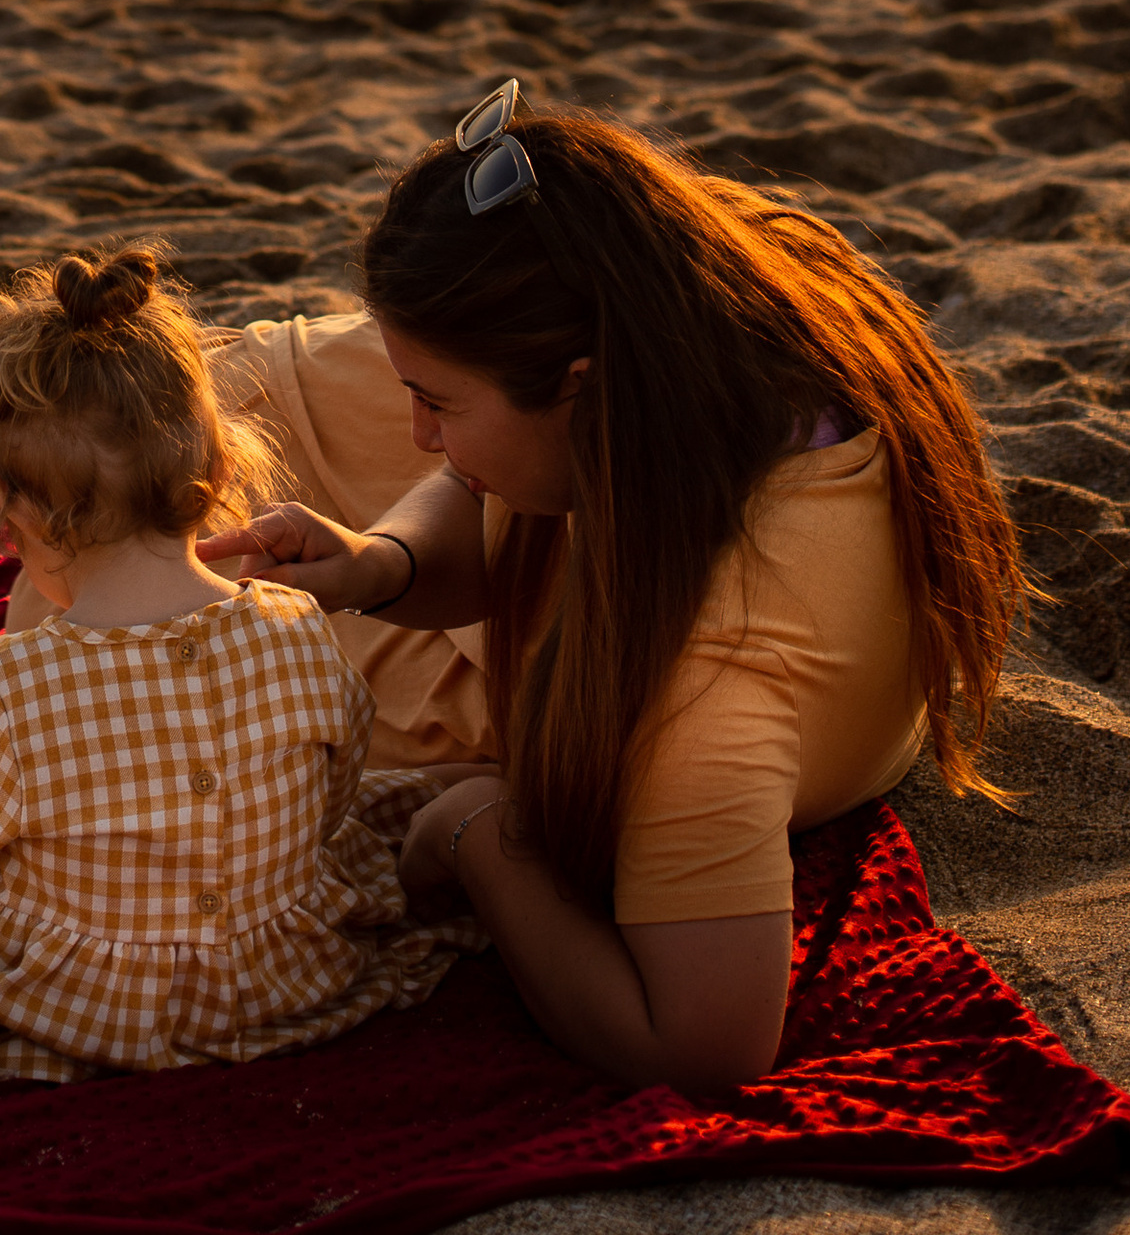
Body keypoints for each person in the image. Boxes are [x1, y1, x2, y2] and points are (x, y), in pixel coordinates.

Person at [204, 82, 1025, 1103]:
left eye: (435, 403)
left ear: (582, 390)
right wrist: (384, 563)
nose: (419, 433)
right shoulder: (723, 310)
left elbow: (700, 1047)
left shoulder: (701, 698)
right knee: (200, 408)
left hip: (705, 670)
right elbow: (472, 482)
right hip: (661, 574)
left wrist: (478, 838)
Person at [0, 243, 472, 1082]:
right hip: (282, 980)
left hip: (84, 1004)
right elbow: (330, 803)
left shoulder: (8, 684)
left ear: (4, 510)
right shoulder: (298, 624)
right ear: (218, 470)